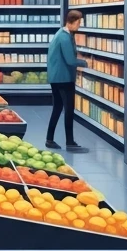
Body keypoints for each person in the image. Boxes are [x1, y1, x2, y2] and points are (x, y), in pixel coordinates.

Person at [46, 10, 88, 152]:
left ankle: (49, 139)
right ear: (71, 22)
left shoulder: (62, 34)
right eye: (78, 23)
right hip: (64, 78)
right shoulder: (64, 37)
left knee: (57, 107)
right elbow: (70, 60)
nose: (79, 26)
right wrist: (85, 62)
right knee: (69, 109)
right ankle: (70, 142)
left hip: (56, 77)